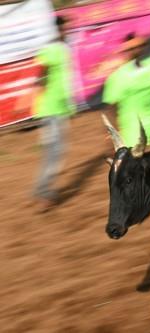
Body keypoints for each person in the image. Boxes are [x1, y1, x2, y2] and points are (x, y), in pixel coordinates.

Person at [102, 36, 150, 148]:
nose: (136, 50)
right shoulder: (118, 77)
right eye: (132, 48)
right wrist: (112, 131)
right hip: (135, 126)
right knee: (137, 160)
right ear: (126, 51)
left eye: (139, 46)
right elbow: (110, 107)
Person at [32, 15, 75, 210]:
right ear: (57, 29)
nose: (66, 31)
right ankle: (42, 192)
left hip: (60, 110)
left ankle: (42, 189)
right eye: (64, 28)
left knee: (58, 152)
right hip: (50, 110)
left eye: (68, 27)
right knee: (53, 153)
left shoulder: (66, 49)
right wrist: (39, 98)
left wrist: (69, 108)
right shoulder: (50, 49)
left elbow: (65, 82)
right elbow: (39, 72)